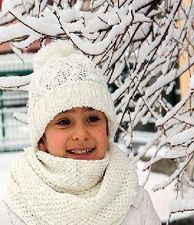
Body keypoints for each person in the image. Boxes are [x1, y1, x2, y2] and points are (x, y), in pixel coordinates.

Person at [0, 41, 161, 225]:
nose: (81, 134)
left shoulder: (136, 205)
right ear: (41, 137)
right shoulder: (14, 210)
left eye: (92, 119)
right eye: (64, 122)